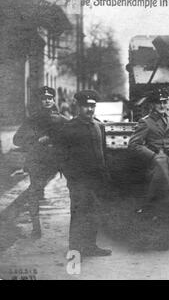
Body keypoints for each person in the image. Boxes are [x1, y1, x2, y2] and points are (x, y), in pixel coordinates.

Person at [58, 90, 112, 258]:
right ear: (78, 107)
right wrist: (72, 178)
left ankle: (90, 246)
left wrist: (105, 175)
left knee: (94, 213)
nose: (90, 110)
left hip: (97, 180)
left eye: (92, 106)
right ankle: (75, 250)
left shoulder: (98, 126)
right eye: (86, 106)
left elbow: (102, 152)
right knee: (79, 214)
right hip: (79, 181)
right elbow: (62, 156)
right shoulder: (70, 128)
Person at [13, 86, 69, 238]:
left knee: (76, 187)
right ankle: (36, 228)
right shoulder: (33, 119)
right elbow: (17, 140)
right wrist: (36, 140)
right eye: (44, 99)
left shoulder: (61, 119)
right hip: (38, 159)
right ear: (40, 101)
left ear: (53, 99)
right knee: (34, 192)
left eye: (50, 98)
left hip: (57, 159)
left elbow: (71, 134)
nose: (47, 101)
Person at [128, 89, 169, 215]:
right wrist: (153, 156)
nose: (162, 105)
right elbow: (133, 144)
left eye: (164, 102)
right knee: (160, 198)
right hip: (158, 164)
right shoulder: (146, 122)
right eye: (158, 103)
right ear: (152, 105)